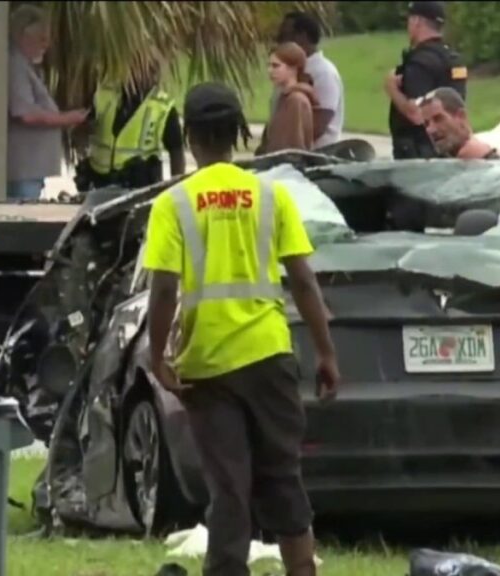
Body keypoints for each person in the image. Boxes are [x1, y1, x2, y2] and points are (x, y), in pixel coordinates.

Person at [141, 81, 341, 576]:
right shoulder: (270, 196)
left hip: (208, 364)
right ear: (237, 133)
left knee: (229, 485)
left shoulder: (175, 203)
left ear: (189, 136)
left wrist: (157, 356)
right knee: (282, 477)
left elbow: (164, 289)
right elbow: (303, 282)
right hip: (270, 356)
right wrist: (326, 352)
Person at [7, 5, 88, 201]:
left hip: (31, 170)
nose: (46, 44)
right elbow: (25, 113)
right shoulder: (16, 66)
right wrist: (66, 119)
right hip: (23, 169)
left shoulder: (26, 66)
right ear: (23, 35)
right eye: (41, 38)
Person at [76, 63, 185, 193]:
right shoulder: (103, 94)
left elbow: (176, 150)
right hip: (98, 183)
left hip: (139, 188)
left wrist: (176, 191)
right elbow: (81, 133)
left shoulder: (162, 105)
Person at [385, 1, 468, 160]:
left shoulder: (420, 62)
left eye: (409, 20)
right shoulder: (453, 60)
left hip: (420, 155)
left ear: (417, 22)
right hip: (450, 149)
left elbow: (416, 113)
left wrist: (392, 89)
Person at [275, 11, 345, 148]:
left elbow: (319, 125)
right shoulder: (290, 69)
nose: (279, 41)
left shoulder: (324, 73)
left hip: (314, 157)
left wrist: (287, 146)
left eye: (285, 35)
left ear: (302, 36)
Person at [257, 43, 319, 155]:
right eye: (269, 65)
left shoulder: (296, 100)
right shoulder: (282, 97)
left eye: (276, 66)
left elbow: (295, 145)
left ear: (293, 68)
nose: (270, 70)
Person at [418, 87, 499, 160]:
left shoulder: (479, 159)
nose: (430, 130)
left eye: (438, 119)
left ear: (461, 116)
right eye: (426, 124)